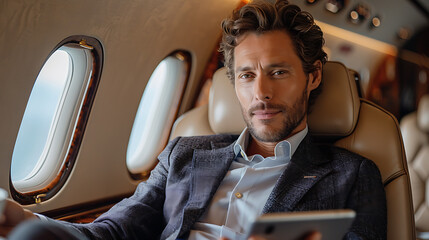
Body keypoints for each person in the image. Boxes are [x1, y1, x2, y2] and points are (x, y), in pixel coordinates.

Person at [0, 0, 386, 239]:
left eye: (279, 72)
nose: (261, 93)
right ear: (233, 82)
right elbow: (113, 231)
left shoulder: (352, 174)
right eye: (247, 75)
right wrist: (21, 217)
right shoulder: (183, 153)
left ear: (313, 76)